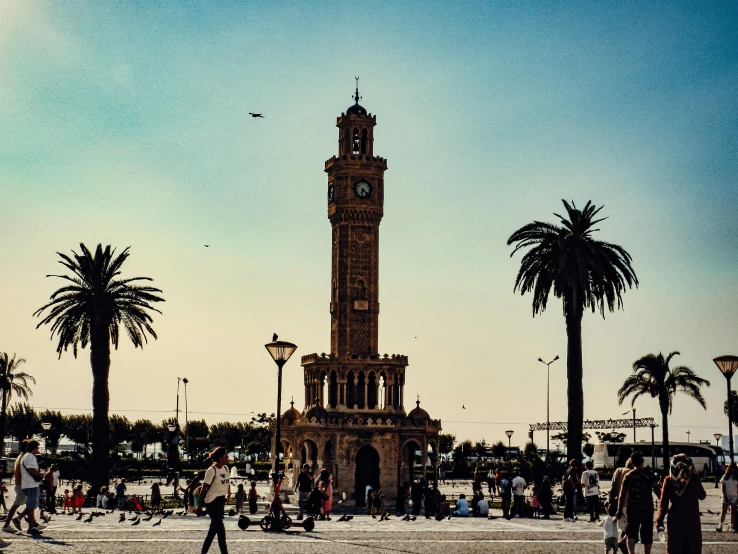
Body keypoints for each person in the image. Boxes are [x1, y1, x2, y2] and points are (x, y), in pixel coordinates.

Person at [656, 454, 706, 554]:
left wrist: (660, 520)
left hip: (675, 518)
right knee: (693, 547)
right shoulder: (693, 479)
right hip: (692, 517)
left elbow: (664, 503)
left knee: (675, 547)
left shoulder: (668, 480)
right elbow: (702, 495)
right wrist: (695, 476)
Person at [616, 451, 659, 554]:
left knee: (631, 532)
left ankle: (631, 552)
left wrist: (620, 509)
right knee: (647, 533)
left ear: (632, 462)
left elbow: (622, 494)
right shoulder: (650, 474)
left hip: (633, 507)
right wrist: (664, 501)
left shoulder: (629, 475)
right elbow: (657, 489)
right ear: (643, 461)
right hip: (647, 507)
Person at [197, 446, 231, 554]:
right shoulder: (211, 470)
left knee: (213, 531)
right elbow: (204, 489)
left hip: (221, 501)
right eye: (226, 455)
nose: (227, 457)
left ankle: (203, 552)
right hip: (211, 503)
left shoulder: (226, 468)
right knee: (221, 530)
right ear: (220, 458)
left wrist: (228, 492)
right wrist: (199, 505)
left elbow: (227, 481)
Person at [19, 440, 45, 534]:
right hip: (31, 484)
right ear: (34, 448)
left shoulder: (25, 456)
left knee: (31, 505)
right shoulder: (31, 457)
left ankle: (32, 524)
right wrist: (40, 474)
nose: (38, 449)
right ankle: (31, 527)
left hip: (26, 484)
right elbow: (31, 469)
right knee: (31, 506)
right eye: (37, 447)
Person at [3, 440, 29, 533]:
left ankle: (31, 524)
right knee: (29, 504)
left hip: (21, 484)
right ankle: (12, 522)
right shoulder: (24, 458)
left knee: (29, 504)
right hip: (22, 484)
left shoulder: (21, 456)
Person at [716, 463, 737, 533]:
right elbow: (723, 487)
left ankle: (731, 526)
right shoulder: (725, 477)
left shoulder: (737, 477)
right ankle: (720, 525)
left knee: (733, 512)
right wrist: (724, 495)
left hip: (735, 495)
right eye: (732, 468)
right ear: (729, 469)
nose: (733, 470)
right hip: (726, 495)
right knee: (723, 511)